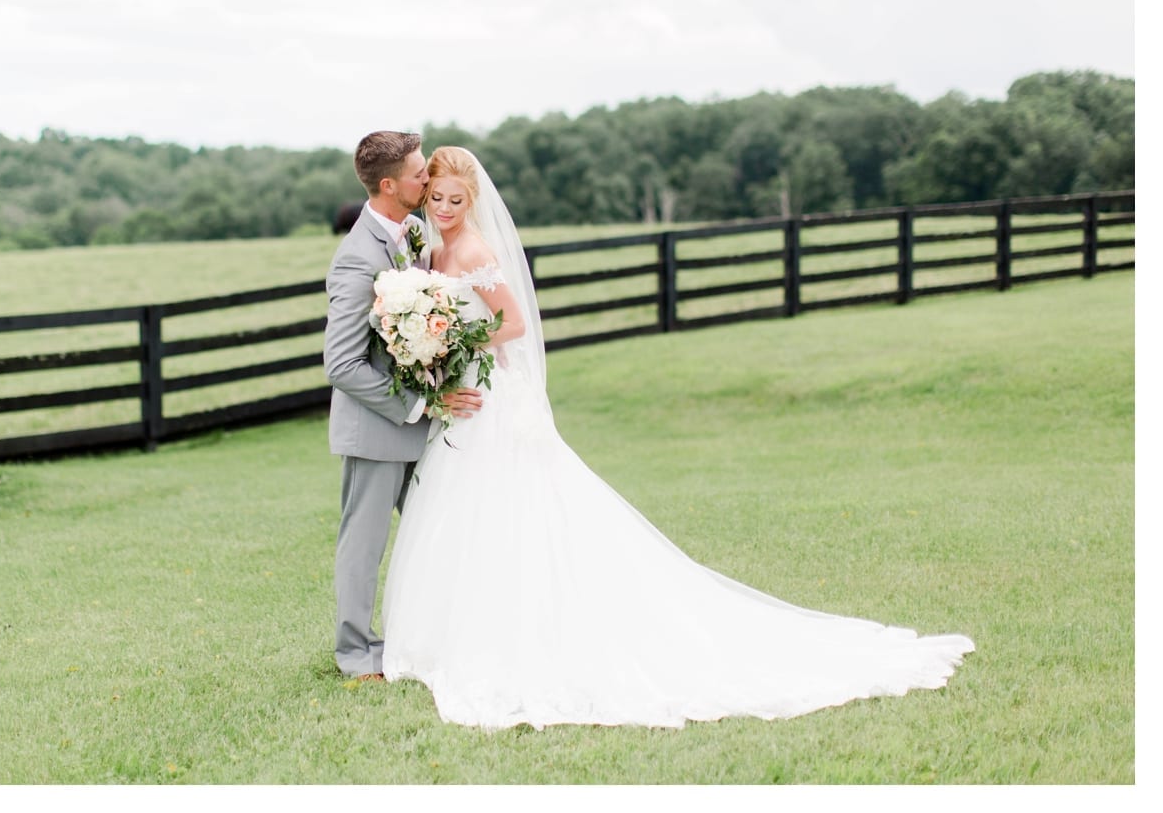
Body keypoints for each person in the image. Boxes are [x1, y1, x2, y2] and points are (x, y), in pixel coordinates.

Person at [379, 145, 975, 729]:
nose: (446, 207)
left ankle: (524, 633)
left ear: (473, 199)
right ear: (425, 196)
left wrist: (457, 341)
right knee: (472, 519)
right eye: (437, 198)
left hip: (493, 405)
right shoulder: (433, 250)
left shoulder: (477, 249)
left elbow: (513, 322)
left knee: (515, 514)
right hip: (465, 405)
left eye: (457, 199)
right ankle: (470, 632)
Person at [323, 131, 483, 681]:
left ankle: (430, 638)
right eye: (419, 174)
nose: (428, 179)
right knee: (363, 548)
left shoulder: (414, 233)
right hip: (378, 430)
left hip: (428, 425)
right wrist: (418, 405)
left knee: (435, 537)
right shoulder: (355, 260)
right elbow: (341, 364)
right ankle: (354, 653)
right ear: (389, 185)